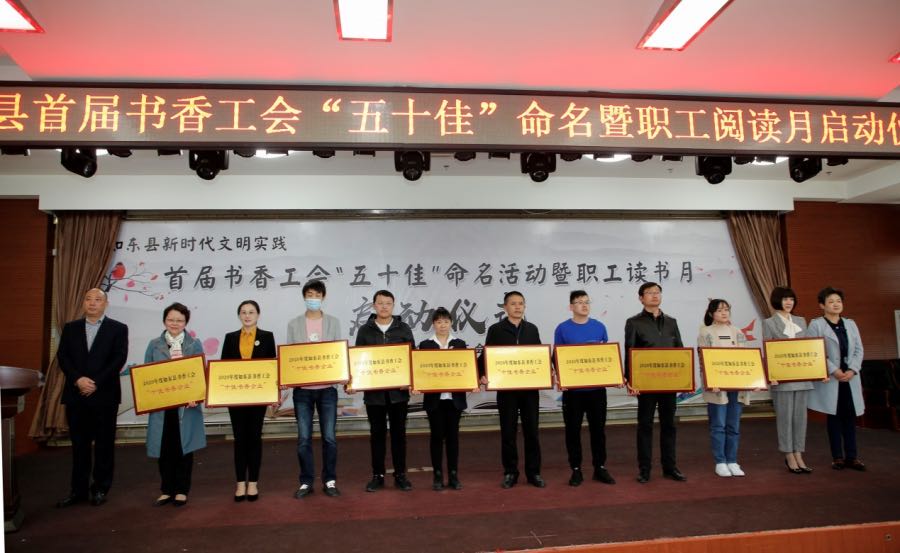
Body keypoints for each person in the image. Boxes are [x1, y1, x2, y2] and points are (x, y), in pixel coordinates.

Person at [56, 288, 129, 508]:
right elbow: (63, 357)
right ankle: (77, 490)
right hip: (76, 394)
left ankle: (100, 489)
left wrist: (95, 382)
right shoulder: (71, 328)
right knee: (79, 445)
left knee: (104, 445)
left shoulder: (118, 328)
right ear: (83, 303)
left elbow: (118, 359)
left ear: (105, 304)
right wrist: (78, 379)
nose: (92, 303)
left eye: (98, 299)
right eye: (88, 299)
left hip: (104, 395)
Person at [144, 303, 206, 507]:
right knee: (164, 448)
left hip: (186, 407)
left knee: (184, 447)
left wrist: (196, 395)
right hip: (162, 406)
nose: (175, 323)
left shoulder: (194, 344)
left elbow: (200, 374)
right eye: (171, 319)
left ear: (186, 322)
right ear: (164, 321)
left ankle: (181, 490)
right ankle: (166, 490)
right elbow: (146, 375)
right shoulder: (154, 345)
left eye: (179, 320)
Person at [624, 282, 687, 484]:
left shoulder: (672, 322)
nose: (654, 295)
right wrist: (630, 380)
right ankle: (645, 469)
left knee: (669, 425)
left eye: (657, 292)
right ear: (641, 298)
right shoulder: (634, 322)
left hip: (669, 382)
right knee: (645, 425)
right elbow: (630, 351)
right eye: (649, 293)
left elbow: (680, 351)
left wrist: (683, 378)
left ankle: (670, 467)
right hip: (646, 383)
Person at [482, 291, 545, 489]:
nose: (518, 307)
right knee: (508, 433)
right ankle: (510, 472)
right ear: (505, 307)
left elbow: (539, 357)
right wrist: (482, 373)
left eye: (521, 303)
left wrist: (547, 370)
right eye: (513, 303)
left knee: (532, 432)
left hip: (529, 390)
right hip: (506, 390)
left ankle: (534, 473)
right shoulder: (496, 330)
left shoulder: (532, 329)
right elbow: (486, 356)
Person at [286, 280, 342, 499]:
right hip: (303, 390)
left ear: (323, 297)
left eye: (317, 295)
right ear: (304, 297)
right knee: (303, 438)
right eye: (309, 294)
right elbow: (290, 356)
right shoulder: (294, 324)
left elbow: (338, 354)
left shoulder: (333, 322)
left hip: (327, 389)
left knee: (329, 438)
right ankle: (306, 481)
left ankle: (330, 479)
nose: (313, 298)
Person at [553, 290, 616, 487]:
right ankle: (576, 469)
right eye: (579, 302)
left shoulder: (599, 327)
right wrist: (559, 376)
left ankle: (600, 467)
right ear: (571, 307)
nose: (584, 305)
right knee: (573, 431)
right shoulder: (562, 329)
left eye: (587, 302)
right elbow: (557, 357)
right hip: (573, 392)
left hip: (597, 391)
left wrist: (613, 373)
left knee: (598, 431)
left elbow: (606, 357)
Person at [354, 290, 415, 492]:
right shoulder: (365, 330)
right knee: (377, 435)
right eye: (380, 303)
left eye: (388, 303)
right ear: (374, 306)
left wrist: (409, 380)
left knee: (399, 435)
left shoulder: (403, 329)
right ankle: (377, 475)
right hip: (374, 395)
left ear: (393, 305)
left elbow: (412, 357)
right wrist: (355, 381)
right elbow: (358, 361)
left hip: (398, 394)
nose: (384, 307)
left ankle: (400, 475)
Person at [220, 300, 276, 502]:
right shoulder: (230, 337)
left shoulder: (267, 337)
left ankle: (252, 482)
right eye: (243, 312)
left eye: (251, 312)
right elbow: (222, 369)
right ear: (239, 316)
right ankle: (239, 483)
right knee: (239, 439)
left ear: (258, 315)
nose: (247, 316)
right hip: (235, 398)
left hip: (258, 397)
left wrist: (273, 395)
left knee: (254, 438)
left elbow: (272, 367)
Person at [806, 287, 866, 471]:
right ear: (822, 305)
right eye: (831, 301)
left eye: (838, 301)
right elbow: (813, 351)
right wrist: (834, 370)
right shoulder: (816, 325)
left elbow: (859, 350)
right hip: (832, 379)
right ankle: (837, 457)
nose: (836, 304)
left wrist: (853, 369)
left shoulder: (850, 324)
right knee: (834, 416)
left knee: (850, 416)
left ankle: (852, 457)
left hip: (850, 377)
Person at [762, 286, 812, 474]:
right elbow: (768, 351)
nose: (789, 302)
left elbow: (809, 349)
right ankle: (788, 454)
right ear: (777, 301)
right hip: (782, 380)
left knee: (800, 418)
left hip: (802, 377)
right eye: (785, 299)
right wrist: (771, 375)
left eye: (791, 299)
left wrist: (818, 370)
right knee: (785, 418)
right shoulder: (768, 323)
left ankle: (799, 452)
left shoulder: (801, 321)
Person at [698, 299, 750, 478]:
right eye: (719, 310)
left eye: (726, 309)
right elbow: (704, 360)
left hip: (737, 384)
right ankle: (720, 462)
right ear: (711, 313)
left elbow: (746, 358)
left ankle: (732, 460)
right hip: (717, 387)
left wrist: (750, 379)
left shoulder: (737, 332)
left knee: (733, 425)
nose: (724, 313)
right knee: (718, 425)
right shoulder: (706, 332)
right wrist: (711, 381)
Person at [418, 307, 468, 491]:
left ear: (451, 323)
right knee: (437, 436)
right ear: (433, 324)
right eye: (439, 322)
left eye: (446, 321)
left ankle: (453, 475)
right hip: (435, 400)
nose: (443, 325)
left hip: (454, 399)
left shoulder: (460, 344)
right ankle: (437, 475)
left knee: (453, 437)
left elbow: (466, 369)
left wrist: (472, 381)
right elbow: (421, 370)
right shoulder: (425, 345)